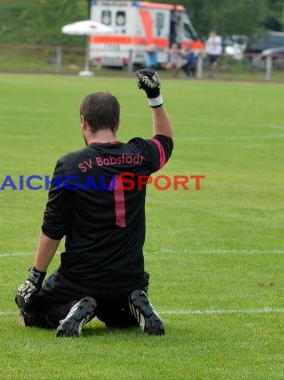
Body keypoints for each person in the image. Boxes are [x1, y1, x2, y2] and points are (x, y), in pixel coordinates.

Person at [15, 69, 174, 338]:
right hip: (128, 276)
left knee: (30, 312)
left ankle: (75, 307)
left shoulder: (71, 165)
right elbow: (165, 141)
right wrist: (154, 97)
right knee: (117, 316)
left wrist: (35, 277)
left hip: (81, 277)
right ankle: (135, 301)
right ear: (118, 123)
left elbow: (53, 229)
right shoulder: (139, 155)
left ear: (83, 121)